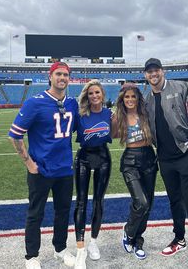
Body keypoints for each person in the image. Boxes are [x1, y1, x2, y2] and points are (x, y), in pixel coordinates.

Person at [9, 62, 78, 269]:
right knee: (35, 213)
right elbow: (15, 135)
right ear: (50, 76)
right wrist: (29, 163)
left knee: (63, 212)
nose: (62, 78)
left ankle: (60, 249)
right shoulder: (35, 102)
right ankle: (31, 256)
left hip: (65, 169)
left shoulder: (72, 103)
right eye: (58, 74)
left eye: (65, 74)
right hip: (41, 169)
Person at [144, 58, 188, 269]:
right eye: (149, 72)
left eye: (156, 70)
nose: (153, 74)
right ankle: (179, 239)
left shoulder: (181, 87)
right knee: (175, 201)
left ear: (162, 71)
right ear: (145, 75)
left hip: (186, 153)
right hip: (165, 157)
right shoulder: (147, 98)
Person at [112, 83, 158, 260]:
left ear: (138, 98)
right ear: (122, 99)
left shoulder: (146, 114)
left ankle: (138, 241)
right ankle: (129, 232)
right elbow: (110, 135)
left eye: (133, 96)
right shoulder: (117, 117)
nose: (130, 100)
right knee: (142, 202)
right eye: (127, 97)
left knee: (148, 204)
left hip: (149, 157)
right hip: (130, 160)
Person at [73, 79, 112, 269]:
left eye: (97, 92)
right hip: (84, 157)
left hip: (103, 157)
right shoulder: (80, 115)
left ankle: (93, 242)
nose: (94, 96)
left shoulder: (110, 114)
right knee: (81, 201)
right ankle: (80, 249)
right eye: (90, 93)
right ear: (86, 96)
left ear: (102, 94)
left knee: (98, 200)